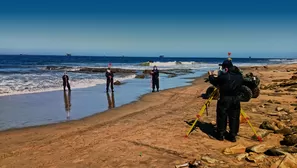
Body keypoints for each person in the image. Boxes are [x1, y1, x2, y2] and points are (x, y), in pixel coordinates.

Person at [208, 59, 243, 142]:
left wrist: (210, 76)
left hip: (225, 98)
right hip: (236, 99)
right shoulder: (239, 76)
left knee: (222, 116)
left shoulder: (224, 76)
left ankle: (221, 134)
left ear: (226, 68)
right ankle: (233, 135)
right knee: (234, 117)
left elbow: (214, 81)